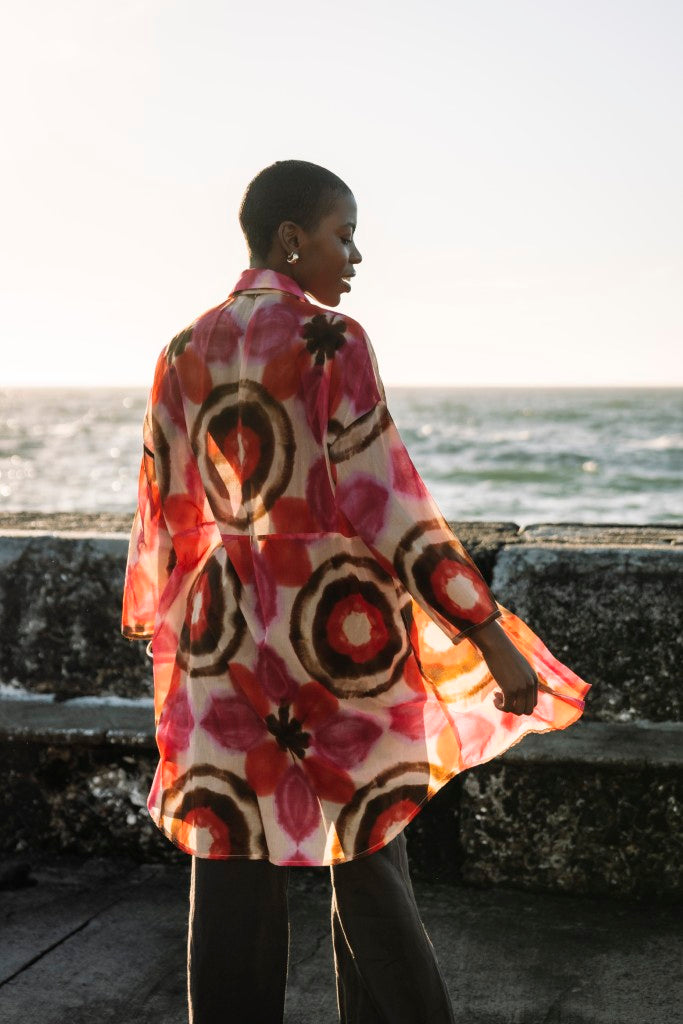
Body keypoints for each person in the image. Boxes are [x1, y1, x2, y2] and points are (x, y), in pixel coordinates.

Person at [121, 159, 590, 1024]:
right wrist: (485, 634)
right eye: (344, 235)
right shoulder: (331, 340)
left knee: (227, 862)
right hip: (330, 631)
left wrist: (162, 627)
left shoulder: (180, 349)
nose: (356, 254)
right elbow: (390, 503)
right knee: (368, 851)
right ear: (290, 239)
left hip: (218, 641)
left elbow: (165, 513)